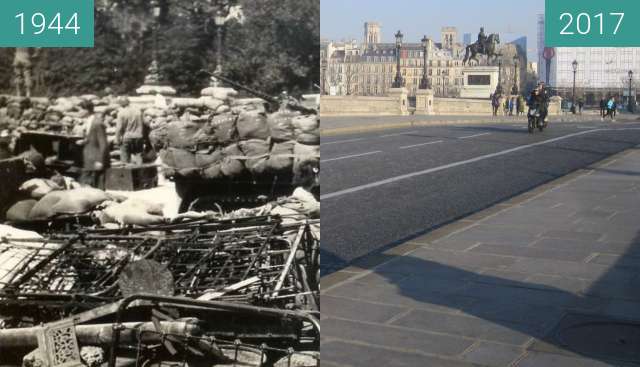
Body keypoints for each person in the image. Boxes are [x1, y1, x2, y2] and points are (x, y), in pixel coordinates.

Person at [78, 100, 109, 189]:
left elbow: (103, 143)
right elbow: (92, 137)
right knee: (89, 186)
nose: (78, 112)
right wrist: (84, 141)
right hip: (89, 158)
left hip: (96, 159)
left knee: (98, 186)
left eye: (80, 110)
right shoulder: (89, 121)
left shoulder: (97, 123)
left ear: (86, 110)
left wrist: (100, 161)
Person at [115, 96, 147, 165]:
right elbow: (144, 124)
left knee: (125, 157)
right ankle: (140, 171)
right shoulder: (138, 111)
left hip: (127, 137)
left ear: (121, 104)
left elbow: (119, 128)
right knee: (139, 155)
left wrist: (117, 139)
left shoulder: (121, 113)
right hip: (138, 136)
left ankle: (127, 172)